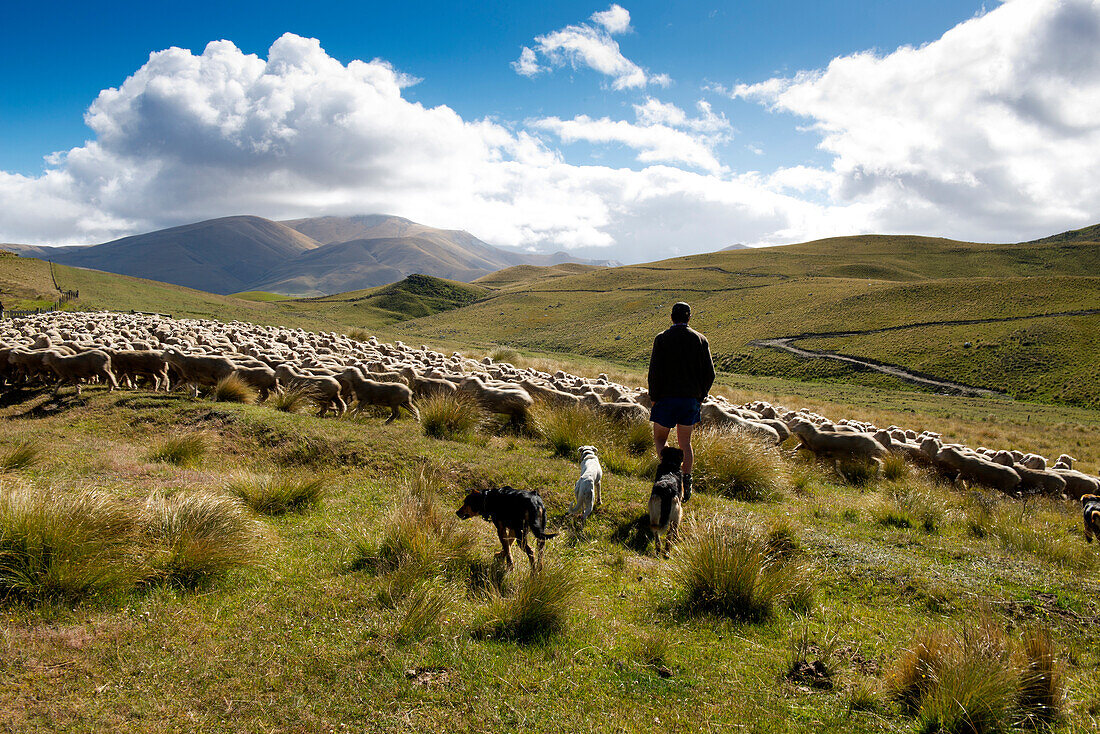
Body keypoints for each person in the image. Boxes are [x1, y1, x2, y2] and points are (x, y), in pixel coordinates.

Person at [646, 301, 715, 502]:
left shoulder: (662, 339)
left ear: (671, 317)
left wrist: (654, 398)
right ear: (689, 318)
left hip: (665, 399)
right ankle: (686, 482)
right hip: (689, 401)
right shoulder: (700, 340)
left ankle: (668, 473)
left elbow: (654, 372)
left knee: (660, 439)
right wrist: (700, 396)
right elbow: (710, 373)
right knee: (686, 443)